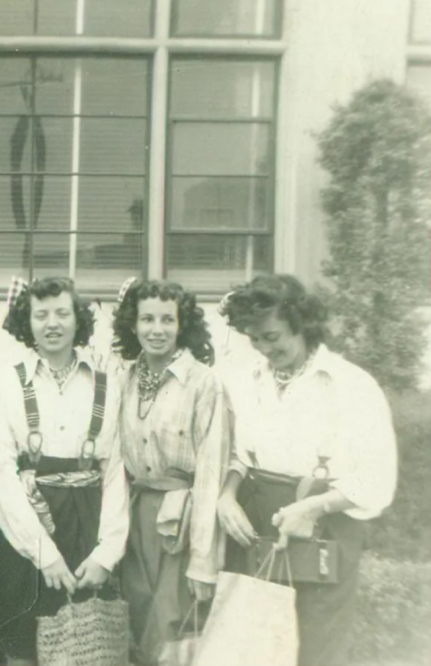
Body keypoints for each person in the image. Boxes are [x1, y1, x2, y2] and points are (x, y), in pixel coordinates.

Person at [217, 274, 397, 666]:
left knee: (316, 651)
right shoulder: (246, 380)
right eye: (255, 339)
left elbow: (377, 480)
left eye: (273, 336)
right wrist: (227, 496)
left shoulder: (350, 385)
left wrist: (311, 509)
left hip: (325, 528)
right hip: (259, 525)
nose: (265, 348)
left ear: (301, 323)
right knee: (253, 649)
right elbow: (238, 455)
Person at [0, 276, 129, 666]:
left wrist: (106, 554)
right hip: (24, 529)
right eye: (41, 314)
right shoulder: (7, 382)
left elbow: (114, 471)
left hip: (86, 524)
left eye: (62, 313)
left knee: (82, 644)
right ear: (26, 322)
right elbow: (2, 471)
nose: (52, 323)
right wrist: (42, 553)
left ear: (77, 319)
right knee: (24, 646)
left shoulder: (106, 383)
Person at [111, 278, 229, 665]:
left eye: (167, 320)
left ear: (183, 326)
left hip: (183, 522)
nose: (156, 330)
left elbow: (211, 473)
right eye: (147, 319)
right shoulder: (124, 378)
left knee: (171, 630)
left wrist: (203, 560)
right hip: (136, 515)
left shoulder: (203, 383)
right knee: (138, 623)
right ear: (133, 324)